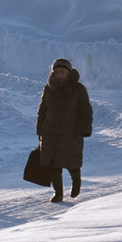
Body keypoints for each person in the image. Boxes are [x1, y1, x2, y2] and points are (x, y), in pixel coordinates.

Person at [36, 58, 92, 203]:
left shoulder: (78, 89)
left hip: (71, 131)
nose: (59, 75)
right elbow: (42, 110)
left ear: (68, 73)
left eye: (62, 72)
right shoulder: (48, 88)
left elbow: (86, 110)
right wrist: (39, 128)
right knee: (54, 165)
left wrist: (85, 128)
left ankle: (76, 181)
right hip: (51, 132)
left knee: (72, 162)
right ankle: (58, 193)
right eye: (56, 72)